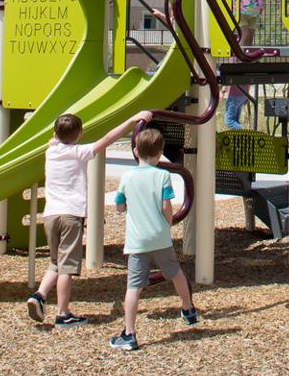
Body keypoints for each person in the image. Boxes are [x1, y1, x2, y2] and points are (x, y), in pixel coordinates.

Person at [26, 111, 145, 327]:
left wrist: (54, 140)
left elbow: (54, 142)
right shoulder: (80, 152)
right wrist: (130, 119)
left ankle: (39, 295)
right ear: (80, 134)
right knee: (67, 267)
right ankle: (63, 313)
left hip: (51, 214)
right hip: (71, 215)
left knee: (56, 261)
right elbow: (107, 139)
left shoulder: (50, 152)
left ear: (55, 134)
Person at [109, 128, 200, 351]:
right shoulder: (163, 175)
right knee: (176, 273)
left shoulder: (127, 177)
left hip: (137, 241)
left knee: (134, 287)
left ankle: (129, 333)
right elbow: (166, 206)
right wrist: (167, 223)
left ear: (135, 151)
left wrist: (125, 207)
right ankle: (188, 308)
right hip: (160, 237)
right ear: (160, 154)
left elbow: (120, 205)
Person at [225, 0, 273, 129]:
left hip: (253, 12)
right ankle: (239, 56)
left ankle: (244, 56)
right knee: (244, 35)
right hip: (241, 11)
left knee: (250, 37)